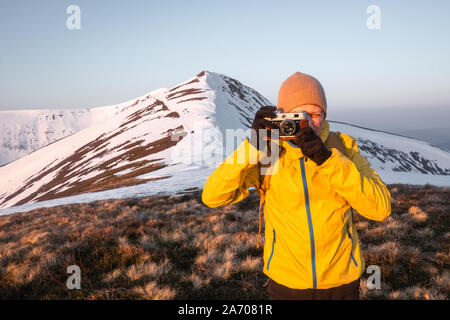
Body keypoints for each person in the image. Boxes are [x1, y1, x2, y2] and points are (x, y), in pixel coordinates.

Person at [202, 72, 391, 300]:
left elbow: (380, 208)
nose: (308, 122)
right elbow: (212, 196)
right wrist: (252, 147)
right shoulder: (269, 154)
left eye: (315, 113)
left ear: (324, 114)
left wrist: (326, 160)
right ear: (282, 117)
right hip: (286, 283)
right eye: (298, 114)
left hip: (341, 282)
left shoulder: (343, 148)